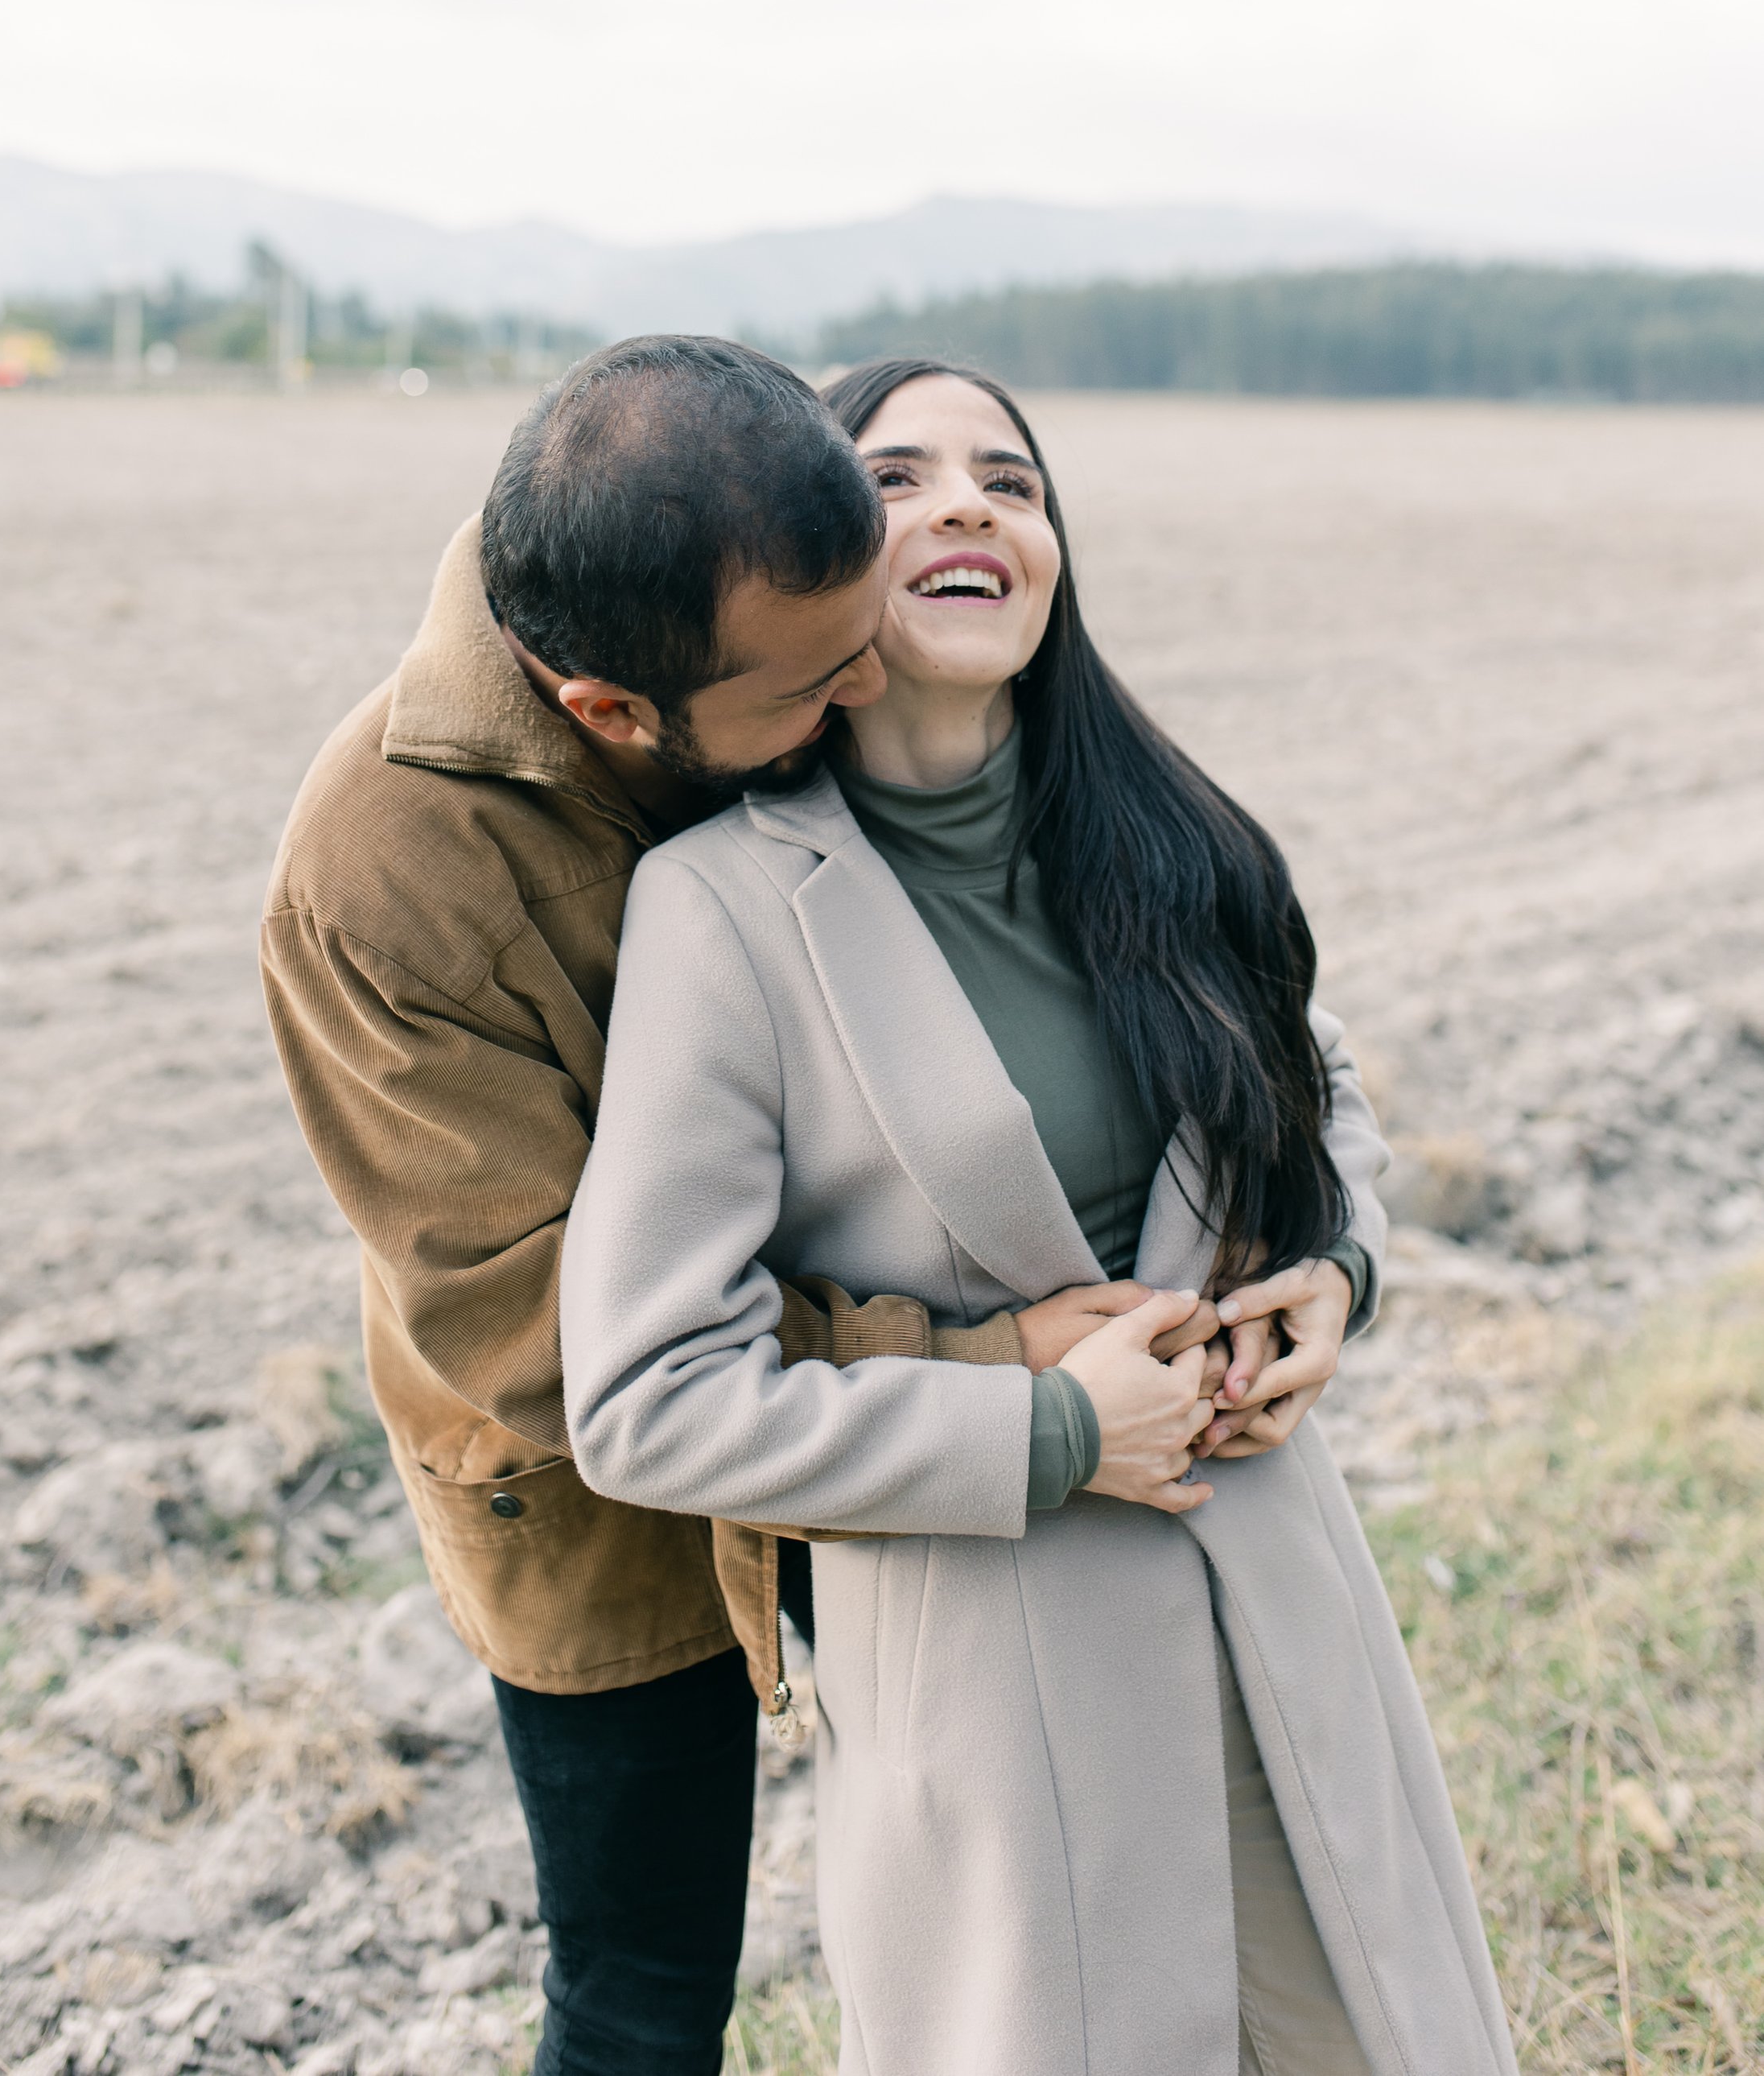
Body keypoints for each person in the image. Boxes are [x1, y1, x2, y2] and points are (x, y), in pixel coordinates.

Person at [562, 357, 1517, 2076]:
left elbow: (1319, 1085)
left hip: (1280, 1606)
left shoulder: (1169, 835)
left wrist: (1335, 1268)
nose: (965, 507)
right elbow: (645, 1402)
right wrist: (1048, 1429)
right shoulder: (720, 912)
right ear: (814, 563)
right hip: (1000, 1689)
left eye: (1009, 480)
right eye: (900, 478)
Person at [261, 337, 1136, 2076]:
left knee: (1023, 1868)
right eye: (817, 689)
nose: (861, 693)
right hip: (591, 1495)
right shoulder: (373, 878)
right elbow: (529, 1333)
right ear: (609, 711)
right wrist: (963, 1366)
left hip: (888, 1409)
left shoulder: (749, 592)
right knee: (644, 1989)